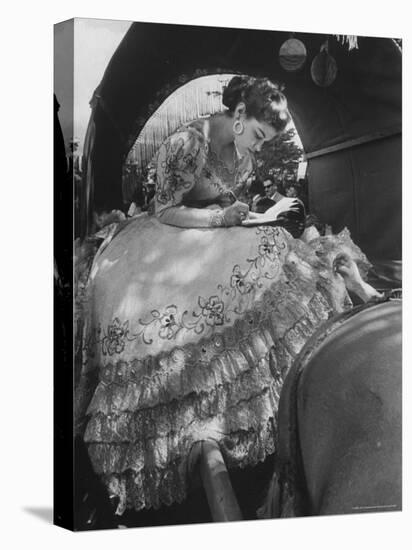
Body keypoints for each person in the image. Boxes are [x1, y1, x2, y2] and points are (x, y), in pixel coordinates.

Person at [76, 75, 375, 515]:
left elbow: (234, 206)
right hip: (165, 235)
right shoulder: (187, 143)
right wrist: (222, 219)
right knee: (173, 321)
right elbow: (164, 210)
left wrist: (258, 213)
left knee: (276, 247)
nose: (258, 148)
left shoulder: (245, 158)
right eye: (257, 136)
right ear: (237, 116)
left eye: (266, 141)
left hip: (215, 230)